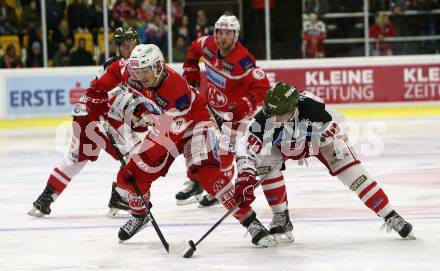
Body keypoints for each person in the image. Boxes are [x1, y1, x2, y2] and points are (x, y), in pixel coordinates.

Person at [86, 43, 276, 247]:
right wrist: (97, 92)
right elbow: (114, 70)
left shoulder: (176, 91)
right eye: (137, 71)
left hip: (194, 125)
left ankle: (251, 222)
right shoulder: (132, 71)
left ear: (158, 66)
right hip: (165, 123)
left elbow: (166, 137)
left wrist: (135, 164)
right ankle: (140, 215)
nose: (140, 77)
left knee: (209, 176)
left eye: (145, 71)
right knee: (136, 176)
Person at [233, 81, 415, 242]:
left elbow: (337, 128)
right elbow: (244, 146)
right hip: (286, 144)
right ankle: (281, 216)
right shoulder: (264, 119)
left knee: (354, 175)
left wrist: (309, 140)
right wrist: (245, 175)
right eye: (269, 112)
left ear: (292, 109)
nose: (271, 118)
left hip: (320, 139)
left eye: (277, 115)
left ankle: (391, 215)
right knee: (265, 164)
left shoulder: (316, 112)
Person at [28, 26, 140, 218]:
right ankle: (119, 199)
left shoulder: (129, 65)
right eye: (125, 46)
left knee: (75, 160)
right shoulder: (118, 66)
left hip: (87, 115)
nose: (130, 49)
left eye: (133, 45)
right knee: (136, 151)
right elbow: (105, 96)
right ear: (117, 48)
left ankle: (44, 201)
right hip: (95, 117)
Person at [180, 14, 270, 207]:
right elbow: (194, 48)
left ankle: (221, 188)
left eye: (228, 33)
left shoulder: (244, 60)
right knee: (194, 142)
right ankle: (196, 182)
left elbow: (262, 86)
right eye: (219, 32)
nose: (223, 37)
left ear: (236, 35)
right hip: (210, 108)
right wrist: (191, 69)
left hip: (233, 114)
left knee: (224, 152)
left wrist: (245, 104)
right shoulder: (209, 45)